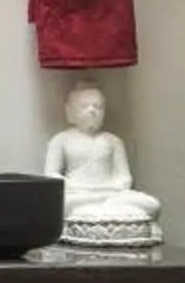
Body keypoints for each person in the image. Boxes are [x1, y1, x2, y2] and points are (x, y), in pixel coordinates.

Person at [44, 80, 160, 229]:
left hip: (110, 192)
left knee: (151, 204)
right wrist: (75, 187)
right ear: (70, 111)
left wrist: (115, 187)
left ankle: (98, 212)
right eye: (84, 106)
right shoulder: (61, 139)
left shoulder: (113, 141)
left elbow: (124, 177)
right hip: (78, 194)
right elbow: (51, 175)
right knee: (60, 204)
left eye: (98, 106)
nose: (92, 110)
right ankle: (110, 213)